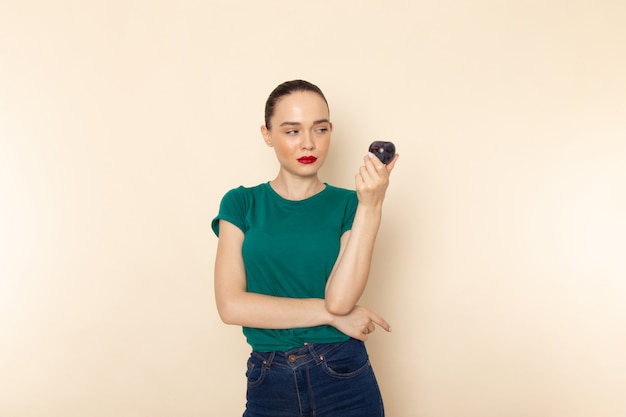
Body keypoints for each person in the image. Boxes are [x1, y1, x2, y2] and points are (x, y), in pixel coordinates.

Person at [211, 79, 399, 417]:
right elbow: (231, 305)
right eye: (292, 131)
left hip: (344, 374)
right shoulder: (241, 203)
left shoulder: (349, 204)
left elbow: (340, 300)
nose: (309, 143)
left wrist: (371, 206)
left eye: (320, 129)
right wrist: (329, 316)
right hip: (269, 379)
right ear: (267, 135)